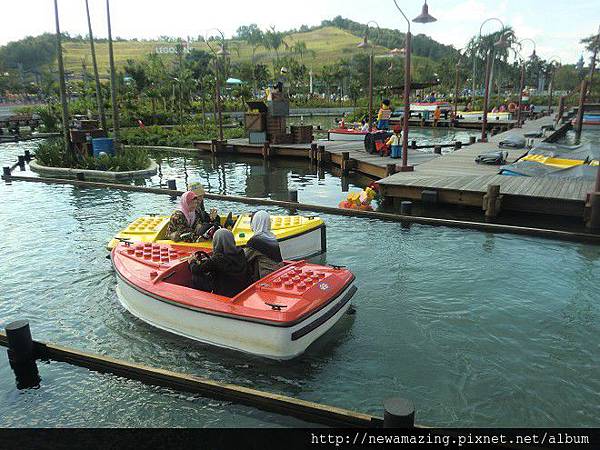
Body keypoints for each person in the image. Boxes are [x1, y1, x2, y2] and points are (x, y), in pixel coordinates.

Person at [188, 229, 250, 297]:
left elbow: (196, 270)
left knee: (196, 277)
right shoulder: (240, 252)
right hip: (242, 289)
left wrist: (192, 261)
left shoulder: (217, 258)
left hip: (224, 293)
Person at [244, 211, 284, 282]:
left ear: (255, 222)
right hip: (279, 273)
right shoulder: (272, 237)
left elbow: (244, 258)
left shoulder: (256, 240)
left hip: (267, 278)